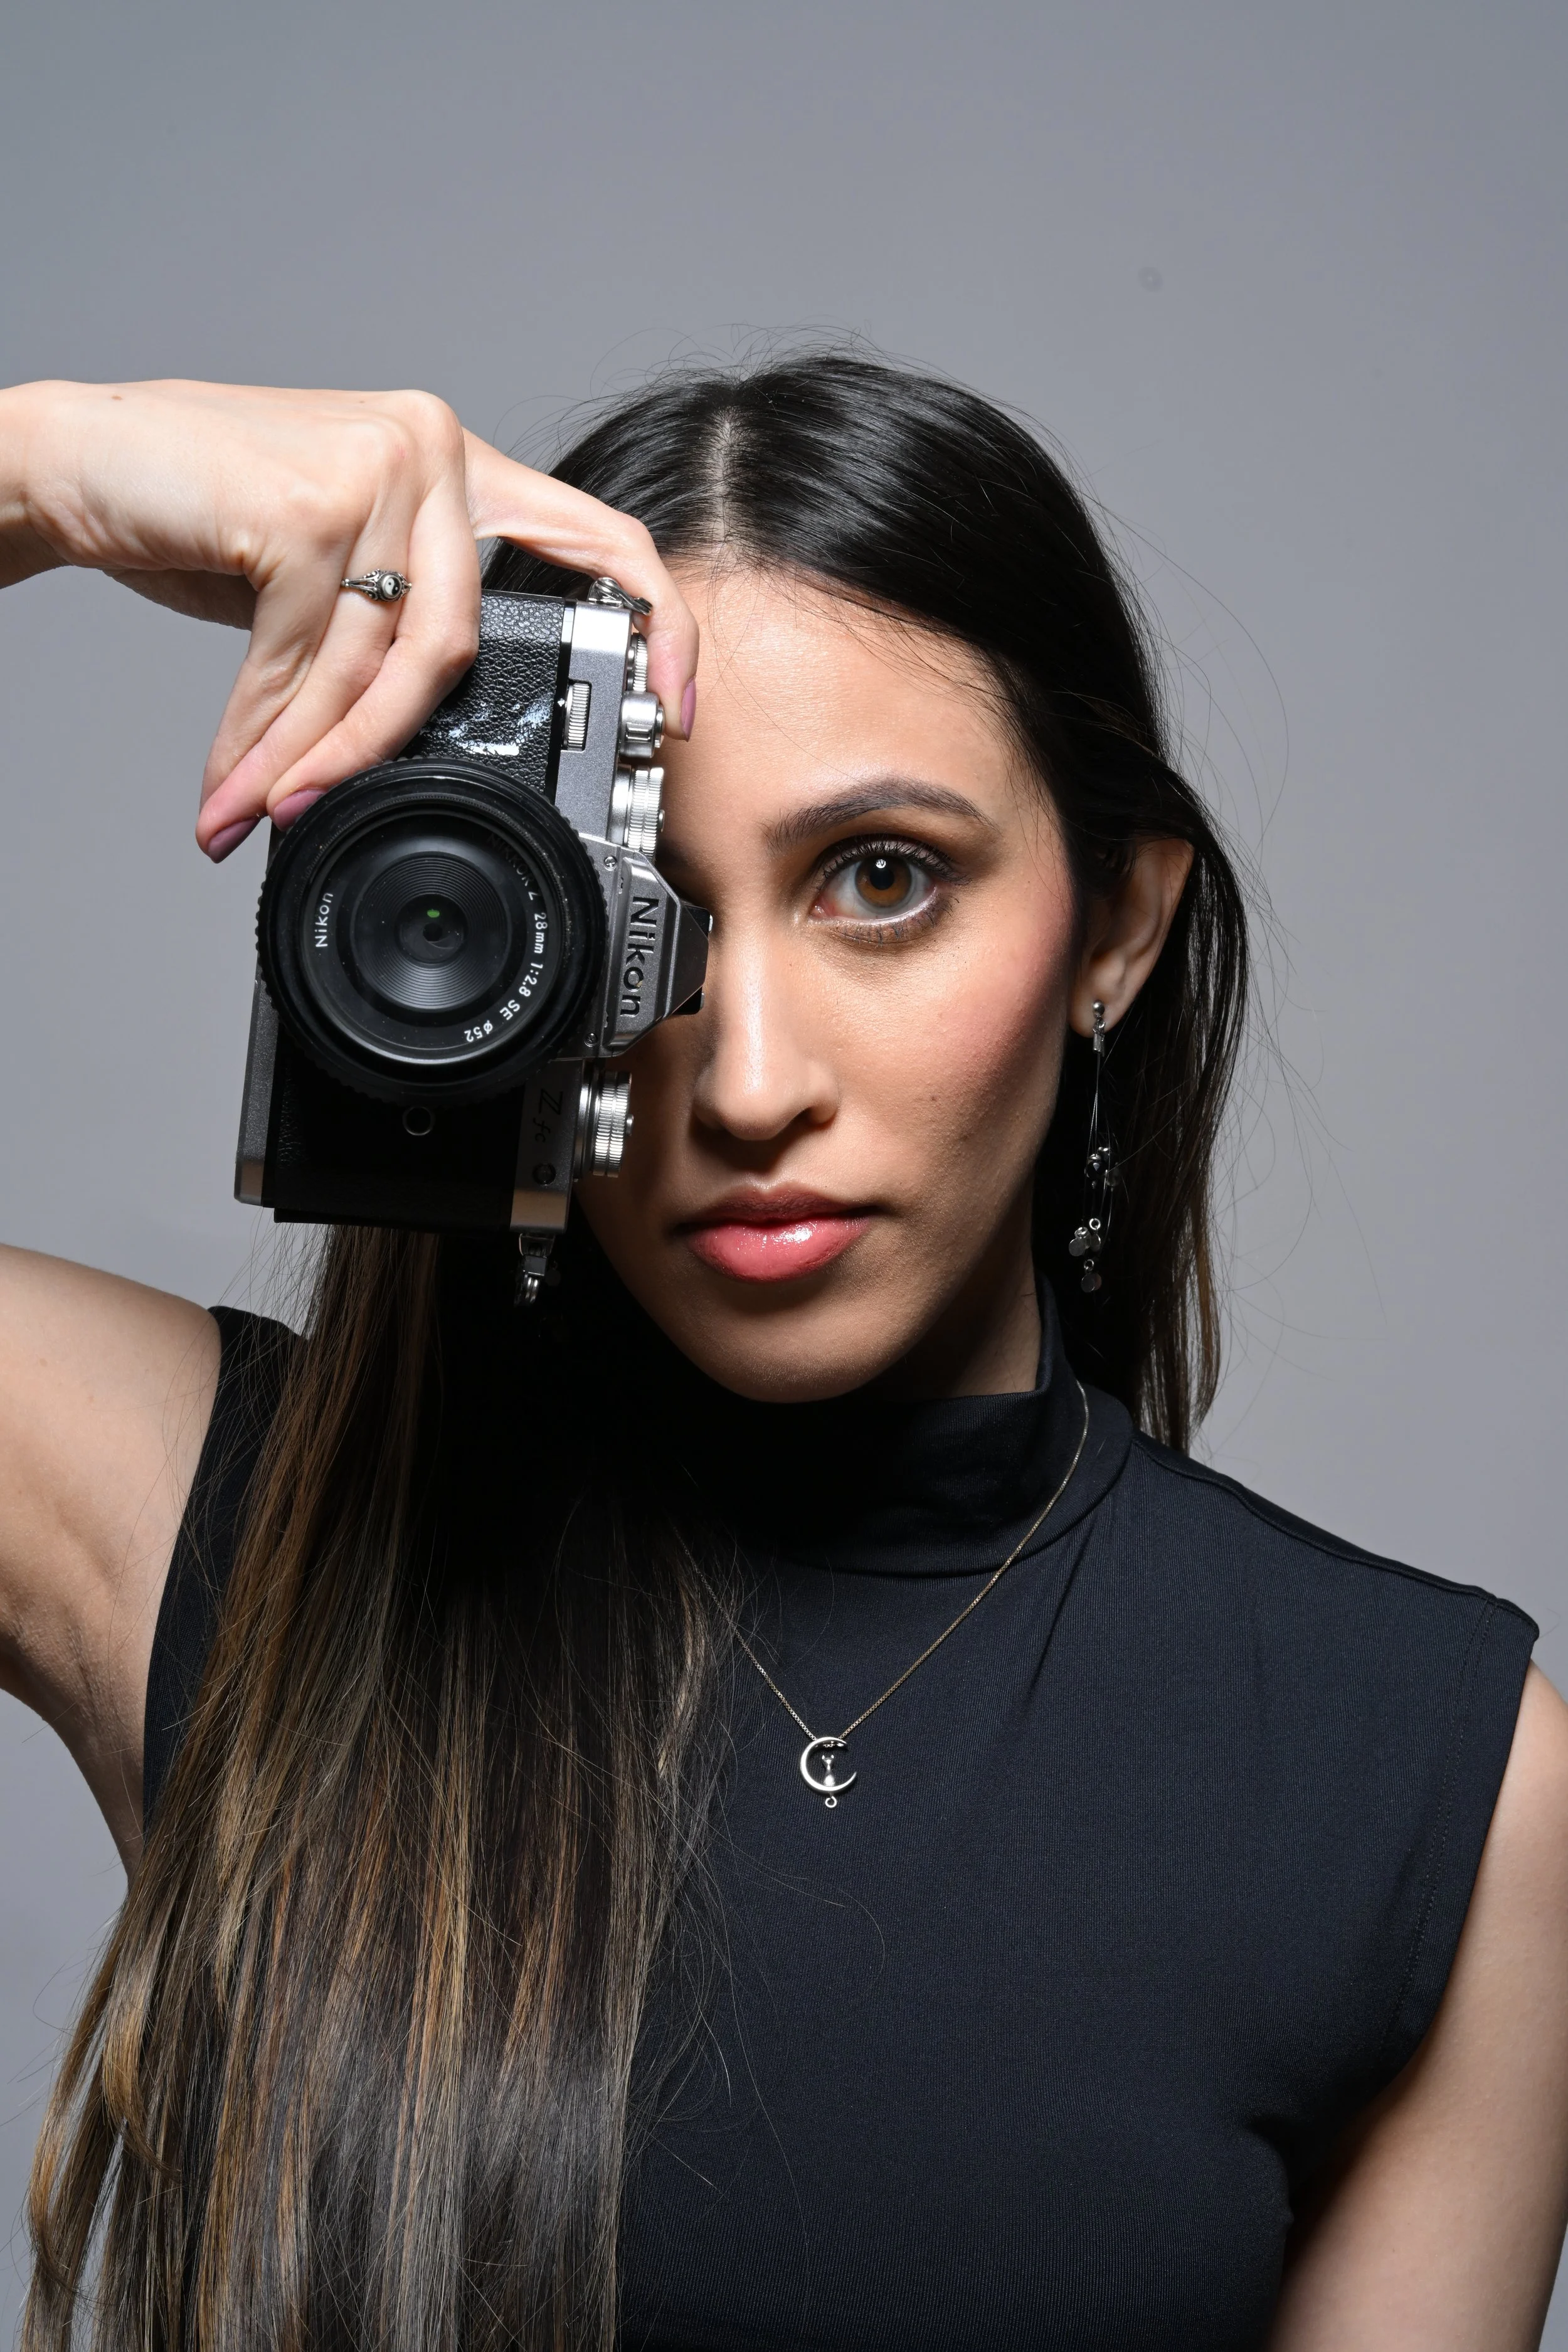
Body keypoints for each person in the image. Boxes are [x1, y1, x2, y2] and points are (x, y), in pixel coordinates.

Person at [1, 362, 1565, 2352]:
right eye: (643, 910)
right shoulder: (218, 1524)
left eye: (882, 880)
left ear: (1116, 928)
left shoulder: (1426, 1777)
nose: (746, 1083)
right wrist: (43, 467)